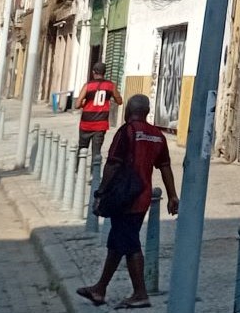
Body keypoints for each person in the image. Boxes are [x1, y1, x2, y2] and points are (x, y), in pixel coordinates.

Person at [78, 94, 178, 309]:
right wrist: (172, 195)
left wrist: (100, 193)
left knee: (129, 243)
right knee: (117, 242)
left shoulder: (127, 132)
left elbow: (113, 164)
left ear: (128, 111)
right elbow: (165, 166)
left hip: (124, 196)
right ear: (147, 112)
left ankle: (140, 293)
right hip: (143, 195)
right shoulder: (158, 135)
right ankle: (100, 289)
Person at [77, 63, 121, 159]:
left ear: (93, 72)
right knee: (96, 152)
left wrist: (83, 104)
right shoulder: (110, 85)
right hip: (101, 124)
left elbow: (77, 104)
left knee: (81, 149)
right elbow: (119, 101)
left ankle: (77, 166)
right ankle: (95, 168)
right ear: (104, 73)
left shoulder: (87, 85)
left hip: (86, 123)